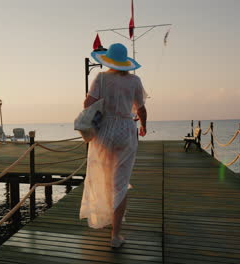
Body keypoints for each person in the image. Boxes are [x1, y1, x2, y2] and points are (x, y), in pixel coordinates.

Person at [79, 43, 148, 248]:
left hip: (104, 130)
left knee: (102, 176)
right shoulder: (135, 81)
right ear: (126, 62)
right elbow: (141, 109)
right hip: (126, 130)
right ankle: (115, 236)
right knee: (120, 183)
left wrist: (100, 115)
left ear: (108, 59)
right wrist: (143, 125)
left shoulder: (101, 78)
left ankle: (104, 218)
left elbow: (87, 105)